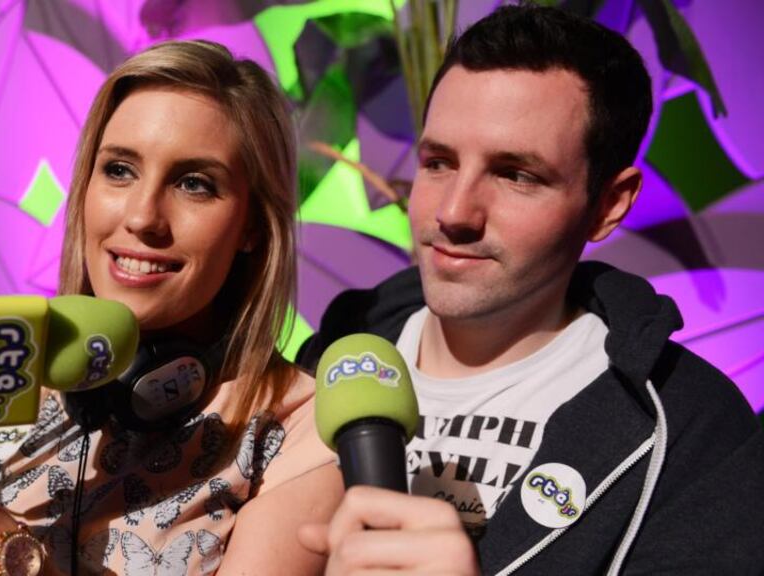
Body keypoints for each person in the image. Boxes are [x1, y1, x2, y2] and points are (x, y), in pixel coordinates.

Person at [0, 40, 343, 576]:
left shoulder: (304, 431)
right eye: (119, 170)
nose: (142, 217)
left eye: (194, 184)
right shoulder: (11, 357)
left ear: (252, 226)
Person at [296, 4, 764, 575]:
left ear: (608, 205)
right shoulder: (326, 361)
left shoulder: (694, 429)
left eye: (516, 175)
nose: (454, 212)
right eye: (438, 162)